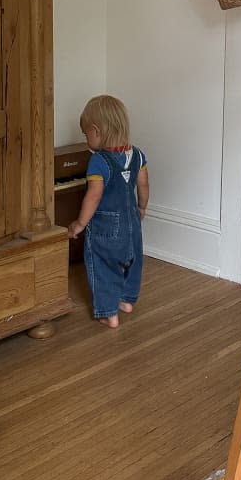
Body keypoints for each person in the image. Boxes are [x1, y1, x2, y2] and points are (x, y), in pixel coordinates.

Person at [68, 95, 149, 329]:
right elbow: (143, 185)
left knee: (103, 264)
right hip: (132, 222)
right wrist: (142, 207)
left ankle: (108, 313)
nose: (86, 140)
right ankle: (126, 301)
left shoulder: (99, 162)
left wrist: (80, 224)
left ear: (96, 131)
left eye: (86, 135)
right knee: (133, 259)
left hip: (106, 227)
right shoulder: (138, 155)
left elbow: (93, 196)